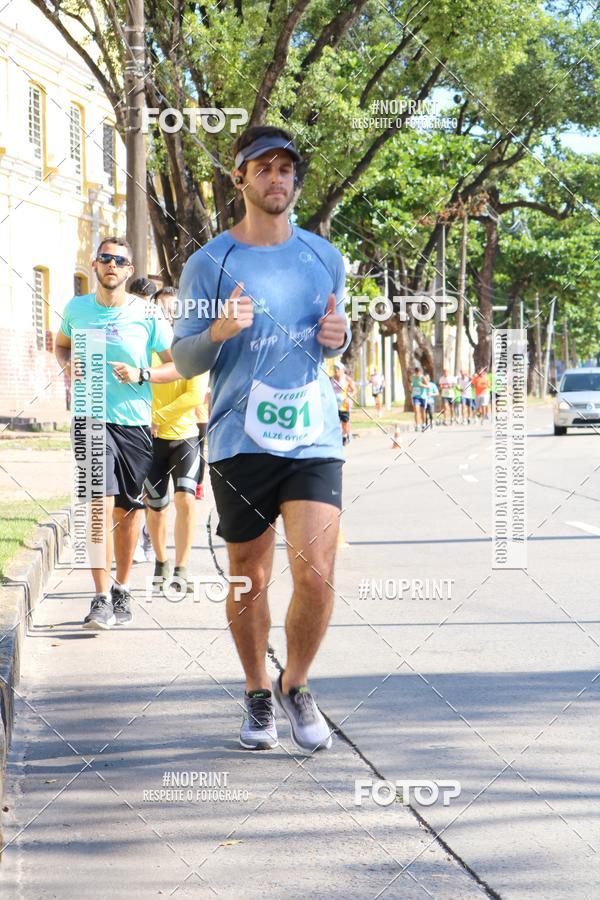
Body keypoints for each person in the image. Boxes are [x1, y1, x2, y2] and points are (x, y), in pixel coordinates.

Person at [172, 125, 350, 753]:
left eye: (286, 169)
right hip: (238, 439)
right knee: (249, 574)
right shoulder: (209, 262)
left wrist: (340, 336)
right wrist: (218, 331)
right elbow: (186, 359)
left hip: (312, 434)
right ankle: (255, 690)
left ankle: (295, 684)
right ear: (240, 177)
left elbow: (337, 331)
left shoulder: (324, 256)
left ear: (296, 180)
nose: (277, 179)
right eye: (263, 168)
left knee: (319, 573)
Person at [55, 237, 176, 630]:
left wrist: (143, 374)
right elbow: (60, 345)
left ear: (129, 270)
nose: (111, 264)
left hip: (134, 422)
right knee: (97, 506)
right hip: (90, 418)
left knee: (127, 512)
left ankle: (123, 587)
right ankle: (100, 597)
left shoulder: (147, 313)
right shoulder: (77, 309)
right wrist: (68, 364)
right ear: (94, 265)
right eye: (105, 258)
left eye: (119, 260)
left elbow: (178, 365)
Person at [144, 287, 208, 594]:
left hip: (185, 437)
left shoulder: (193, 347)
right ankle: (161, 561)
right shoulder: (144, 347)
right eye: (162, 310)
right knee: (156, 506)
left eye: (173, 310)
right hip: (150, 439)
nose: (168, 315)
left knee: (185, 499)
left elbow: (194, 396)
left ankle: (182, 568)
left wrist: (159, 417)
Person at [128, 277, 159, 564]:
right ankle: (135, 538)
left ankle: (148, 534)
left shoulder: (158, 329)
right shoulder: (125, 328)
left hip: (161, 418)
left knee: (153, 488)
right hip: (133, 416)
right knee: (134, 485)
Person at [331, 362, 357, 446]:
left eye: (337, 369)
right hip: (334, 403)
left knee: (345, 421)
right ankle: (342, 436)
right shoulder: (332, 379)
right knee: (336, 420)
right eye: (334, 369)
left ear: (342, 370)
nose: (335, 370)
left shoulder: (347, 379)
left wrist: (348, 397)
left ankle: (347, 434)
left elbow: (354, 390)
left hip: (344, 403)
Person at [411, 366, 427, 432]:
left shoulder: (423, 378)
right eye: (416, 371)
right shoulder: (413, 378)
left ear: (420, 372)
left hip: (422, 397)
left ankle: (423, 424)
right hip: (415, 396)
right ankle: (417, 425)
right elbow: (411, 385)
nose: (417, 373)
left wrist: (422, 385)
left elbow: (428, 386)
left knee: (422, 411)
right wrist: (411, 388)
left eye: (418, 371)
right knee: (416, 411)